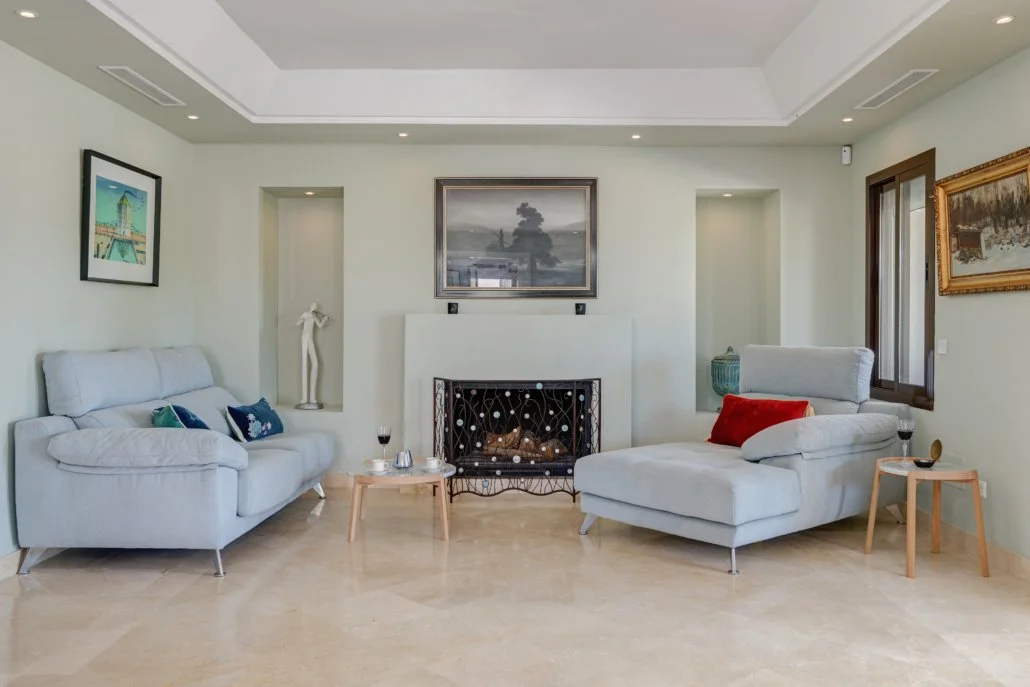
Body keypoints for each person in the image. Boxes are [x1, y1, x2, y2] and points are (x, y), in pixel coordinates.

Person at [296, 303, 330, 407]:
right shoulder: (306, 314)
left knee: (315, 364)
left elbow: (319, 325)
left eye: (315, 306)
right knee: (304, 364)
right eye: (313, 305)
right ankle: (304, 398)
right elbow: (297, 323)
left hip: (310, 338)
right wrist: (302, 317)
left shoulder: (314, 317)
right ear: (310, 306)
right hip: (304, 337)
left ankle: (312, 398)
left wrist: (324, 319)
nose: (314, 307)